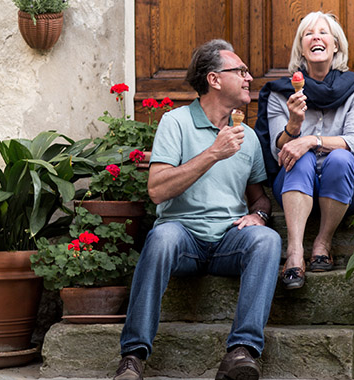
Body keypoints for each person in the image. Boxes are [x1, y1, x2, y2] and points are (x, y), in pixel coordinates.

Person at [113, 39, 281, 380]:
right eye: (241, 71)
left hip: (229, 241)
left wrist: (259, 215)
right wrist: (212, 153)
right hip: (182, 235)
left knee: (268, 240)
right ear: (214, 79)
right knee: (160, 238)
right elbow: (157, 190)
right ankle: (132, 357)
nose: (249, 78)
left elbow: (259, 197)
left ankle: (241, 351)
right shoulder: (175, 123)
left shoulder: (246, 136)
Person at [254, 11, 354, 290]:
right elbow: (279, 153)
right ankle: (295, 252)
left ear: (336, 45)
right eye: (308, 34)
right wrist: (294, 125)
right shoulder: (280, 93)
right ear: (301, 48)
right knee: (299, 158)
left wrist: (311, 140)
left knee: (341, 157)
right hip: (295, 179)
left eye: (323, 32)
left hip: (347, 183)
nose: (316, 37)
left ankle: (323, 241)